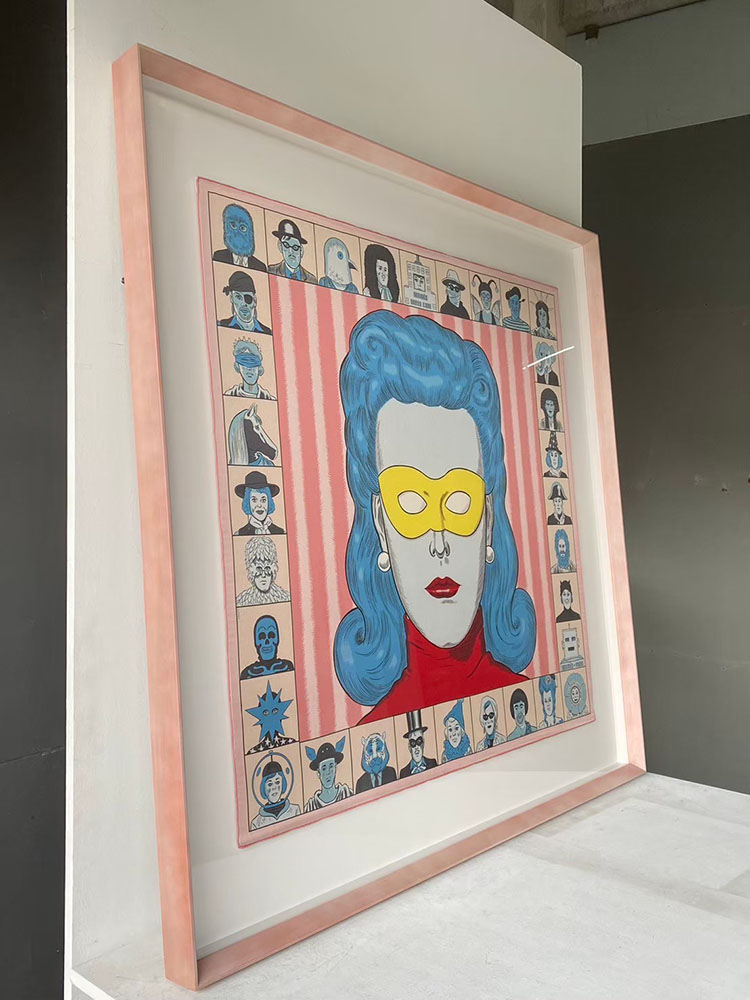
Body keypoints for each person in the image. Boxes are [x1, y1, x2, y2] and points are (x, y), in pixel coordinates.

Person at [334, 311, 536, 722]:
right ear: (381, 525)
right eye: (410, 502)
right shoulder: (376, 736)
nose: (439, 541)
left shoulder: (531, 706)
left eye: (459, 501)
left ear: (488, 520)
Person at [250, 754, 301, 830]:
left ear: (283, 784)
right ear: (263, 788)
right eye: (270, 784)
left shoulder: (294, 810)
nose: (274, 788)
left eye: (277, 782)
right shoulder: (257, 822)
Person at [236, 536, 290, 607]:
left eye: (267, 568)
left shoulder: (284, 597)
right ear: (250, 570)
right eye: (259, 569)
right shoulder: (242, 601)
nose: (263, 575)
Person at [213, 203, 267, 271]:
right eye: (233, 225)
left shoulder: (260, 266)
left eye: (242, 228)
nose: (237, 232)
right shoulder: (219, 256)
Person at [244, 679, 295, 753]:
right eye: (265, 713)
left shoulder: (290, 742)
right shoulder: (254, 751)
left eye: (275, 711)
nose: (270, 716)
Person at [304, 738, 354, 810]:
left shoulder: (346, 793)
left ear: (335, 768)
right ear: (318, 773)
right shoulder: (311, 806)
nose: (328, 772)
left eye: (331, 766)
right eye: (324, 768)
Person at [240, 614, 294, 679]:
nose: (267, 642)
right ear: (256, 642)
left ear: (277, 639)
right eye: (262, 637)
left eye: (271, 635)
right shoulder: (247, 673)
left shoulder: (287, 667)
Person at [234, 470, 284, 536]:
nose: (259, 505)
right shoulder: (240, 534)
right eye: (254, 500)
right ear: (248, 503)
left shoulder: (280, 532)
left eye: (263, 500)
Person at [399, 709, 438, 777]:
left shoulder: (432, 763)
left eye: (419, 741)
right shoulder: (404, 772)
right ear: (409, 747)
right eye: (413, 743)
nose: (416, 747)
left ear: (423, 743)